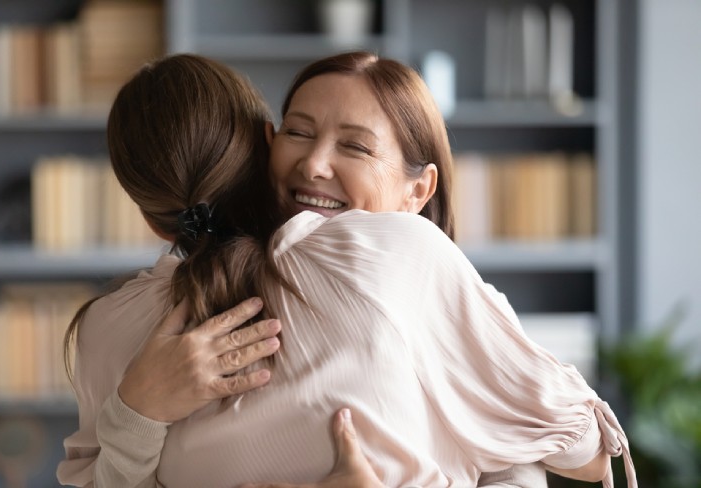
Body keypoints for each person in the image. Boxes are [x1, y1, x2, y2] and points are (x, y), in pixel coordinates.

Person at [57, 52, 636, 487]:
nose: (313, 163)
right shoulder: (395, 258)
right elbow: (587, 451)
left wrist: (135, 415)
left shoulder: (105, 331)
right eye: (299, 132)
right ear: (265, 147)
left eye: (355, 147)